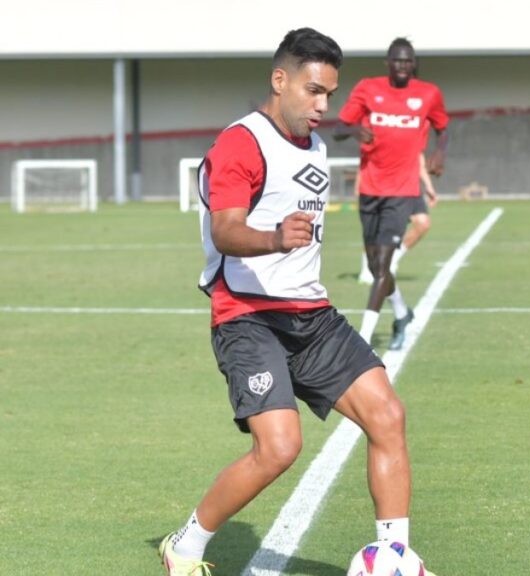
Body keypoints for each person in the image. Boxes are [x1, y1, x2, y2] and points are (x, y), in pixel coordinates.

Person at [159, 28, 424, 576]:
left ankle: (394, 558)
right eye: (313, 90)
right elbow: (228, 231)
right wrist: (277, 237)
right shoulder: (240, 143)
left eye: (330, 92)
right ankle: (184, 545)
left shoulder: (317, 144)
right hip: (249, 316)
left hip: (312, 316)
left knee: (388, 416)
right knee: (279, 449)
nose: (324, 105)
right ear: (279, 80)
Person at [336, 37, 448, 350]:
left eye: (407, 60)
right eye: (396, 60)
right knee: (376, 268)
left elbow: (443, 127)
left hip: (402, 190)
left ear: (413, 64)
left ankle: (364, 339)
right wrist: (356, 129)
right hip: (370, 188)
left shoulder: (428, 93)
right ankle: (401, 312)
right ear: (387, 63)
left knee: (384, 265)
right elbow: (339, 126)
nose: (401, 65)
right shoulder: (368, 89)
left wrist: (440, 152)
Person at [358, 153, 438, 284]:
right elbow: (368, 157)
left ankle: (391, 260)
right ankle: (368, 268)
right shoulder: (382, 133)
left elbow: (418, 158)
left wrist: (429, 185)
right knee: (376, 230)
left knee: (423, 223)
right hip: (383, 186)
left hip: (409, 187)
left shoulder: (413, 134)